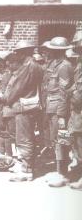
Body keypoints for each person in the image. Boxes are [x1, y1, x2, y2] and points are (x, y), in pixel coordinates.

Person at [4, 40, 43, 182]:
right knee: (28, 137)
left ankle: (27, 170)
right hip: (29, 106)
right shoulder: (35, 65)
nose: (16, 54)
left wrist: (6, 99)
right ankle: (27, 166)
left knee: (24, 138)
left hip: (24, 107)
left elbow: (18, 88)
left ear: (24, 52)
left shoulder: (28, 66)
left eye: (18, 52)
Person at [42, 37, 74, 187]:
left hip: (58, 108)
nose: (49, 52)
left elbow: (64, 92)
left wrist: (61, 115)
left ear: (58, 51)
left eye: (52, 49)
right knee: (55, 139)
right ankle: (58, 170)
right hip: (50, 106)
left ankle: (63, 174)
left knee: (61, 140)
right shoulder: (54, 64)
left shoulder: (65, 66)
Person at [68, 31, 82, 190]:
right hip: (77, 111)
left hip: (79, 108)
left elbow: (78, 93)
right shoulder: (79, 62)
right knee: (76, 142)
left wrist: (71, 95)